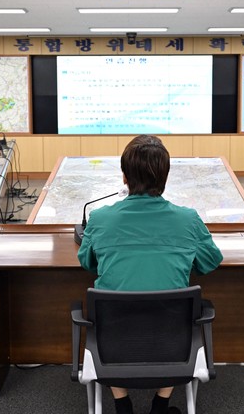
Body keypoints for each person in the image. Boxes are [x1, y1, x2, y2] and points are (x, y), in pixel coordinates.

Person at [77, 135, 223, 414]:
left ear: (124, 176)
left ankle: (122, 406)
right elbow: (209, 262)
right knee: (171, 317)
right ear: (165, 177)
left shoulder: (100, 218)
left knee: (113, 312)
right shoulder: (188, 219)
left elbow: (88, 262)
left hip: (111, 351)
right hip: (175, 350)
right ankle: (160, 405)